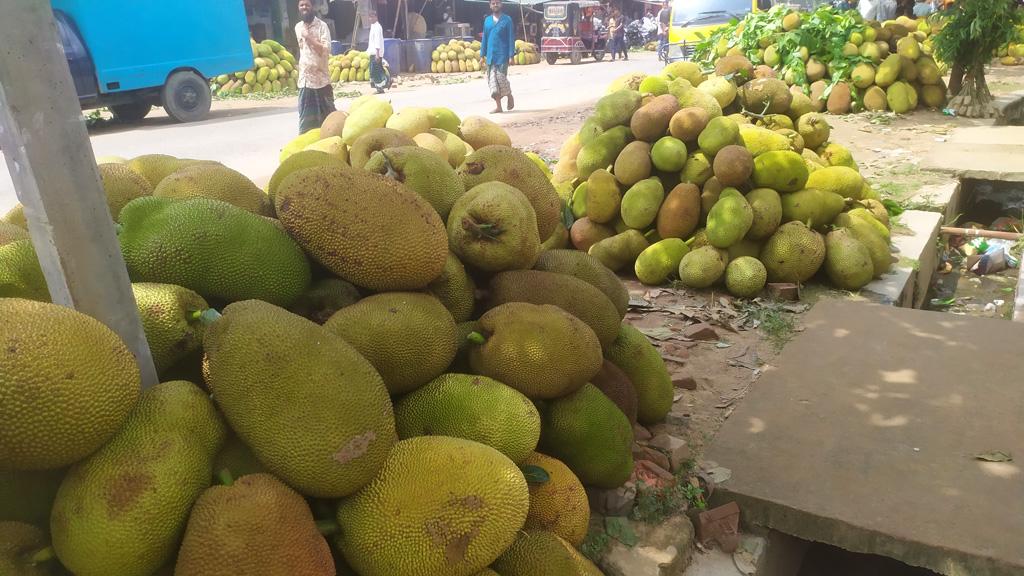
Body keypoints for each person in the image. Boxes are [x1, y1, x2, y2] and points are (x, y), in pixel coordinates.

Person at [295, 0, 335, 134]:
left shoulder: (322, 26)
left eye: (307, 5)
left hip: (321, 80)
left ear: (312, 7)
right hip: (305, 81)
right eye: (301, 5)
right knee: (306, 121)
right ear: (298, 7)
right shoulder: (298, 27)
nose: (304, 7)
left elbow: (325, 51)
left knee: (329, 118)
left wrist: (309, 38)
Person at [481, 0, 515, 113]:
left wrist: (511, 55)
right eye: (493, 3)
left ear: (501, 4)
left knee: (501, 79)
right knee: (492, 82)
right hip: (491, 56)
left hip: (502, 55)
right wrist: (482, 55)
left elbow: (511, 38)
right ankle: (499, 107)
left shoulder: (507, 20)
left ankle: (509, 95)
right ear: (490, 6)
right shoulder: (487, 21)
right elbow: (484, 39)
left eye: (497, 3)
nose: (495, 5)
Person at [366, 10, 386, 94]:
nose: (370, 18)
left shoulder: (377, 27)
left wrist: (377, 54)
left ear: (376, 17)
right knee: (375, 70)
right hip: (372, 52)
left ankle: (380, 88)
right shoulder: (373, 26)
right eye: (369, 17)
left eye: (372, 17)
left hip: (376, 53)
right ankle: (386, 82)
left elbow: (377, 41)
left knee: (376, 71)